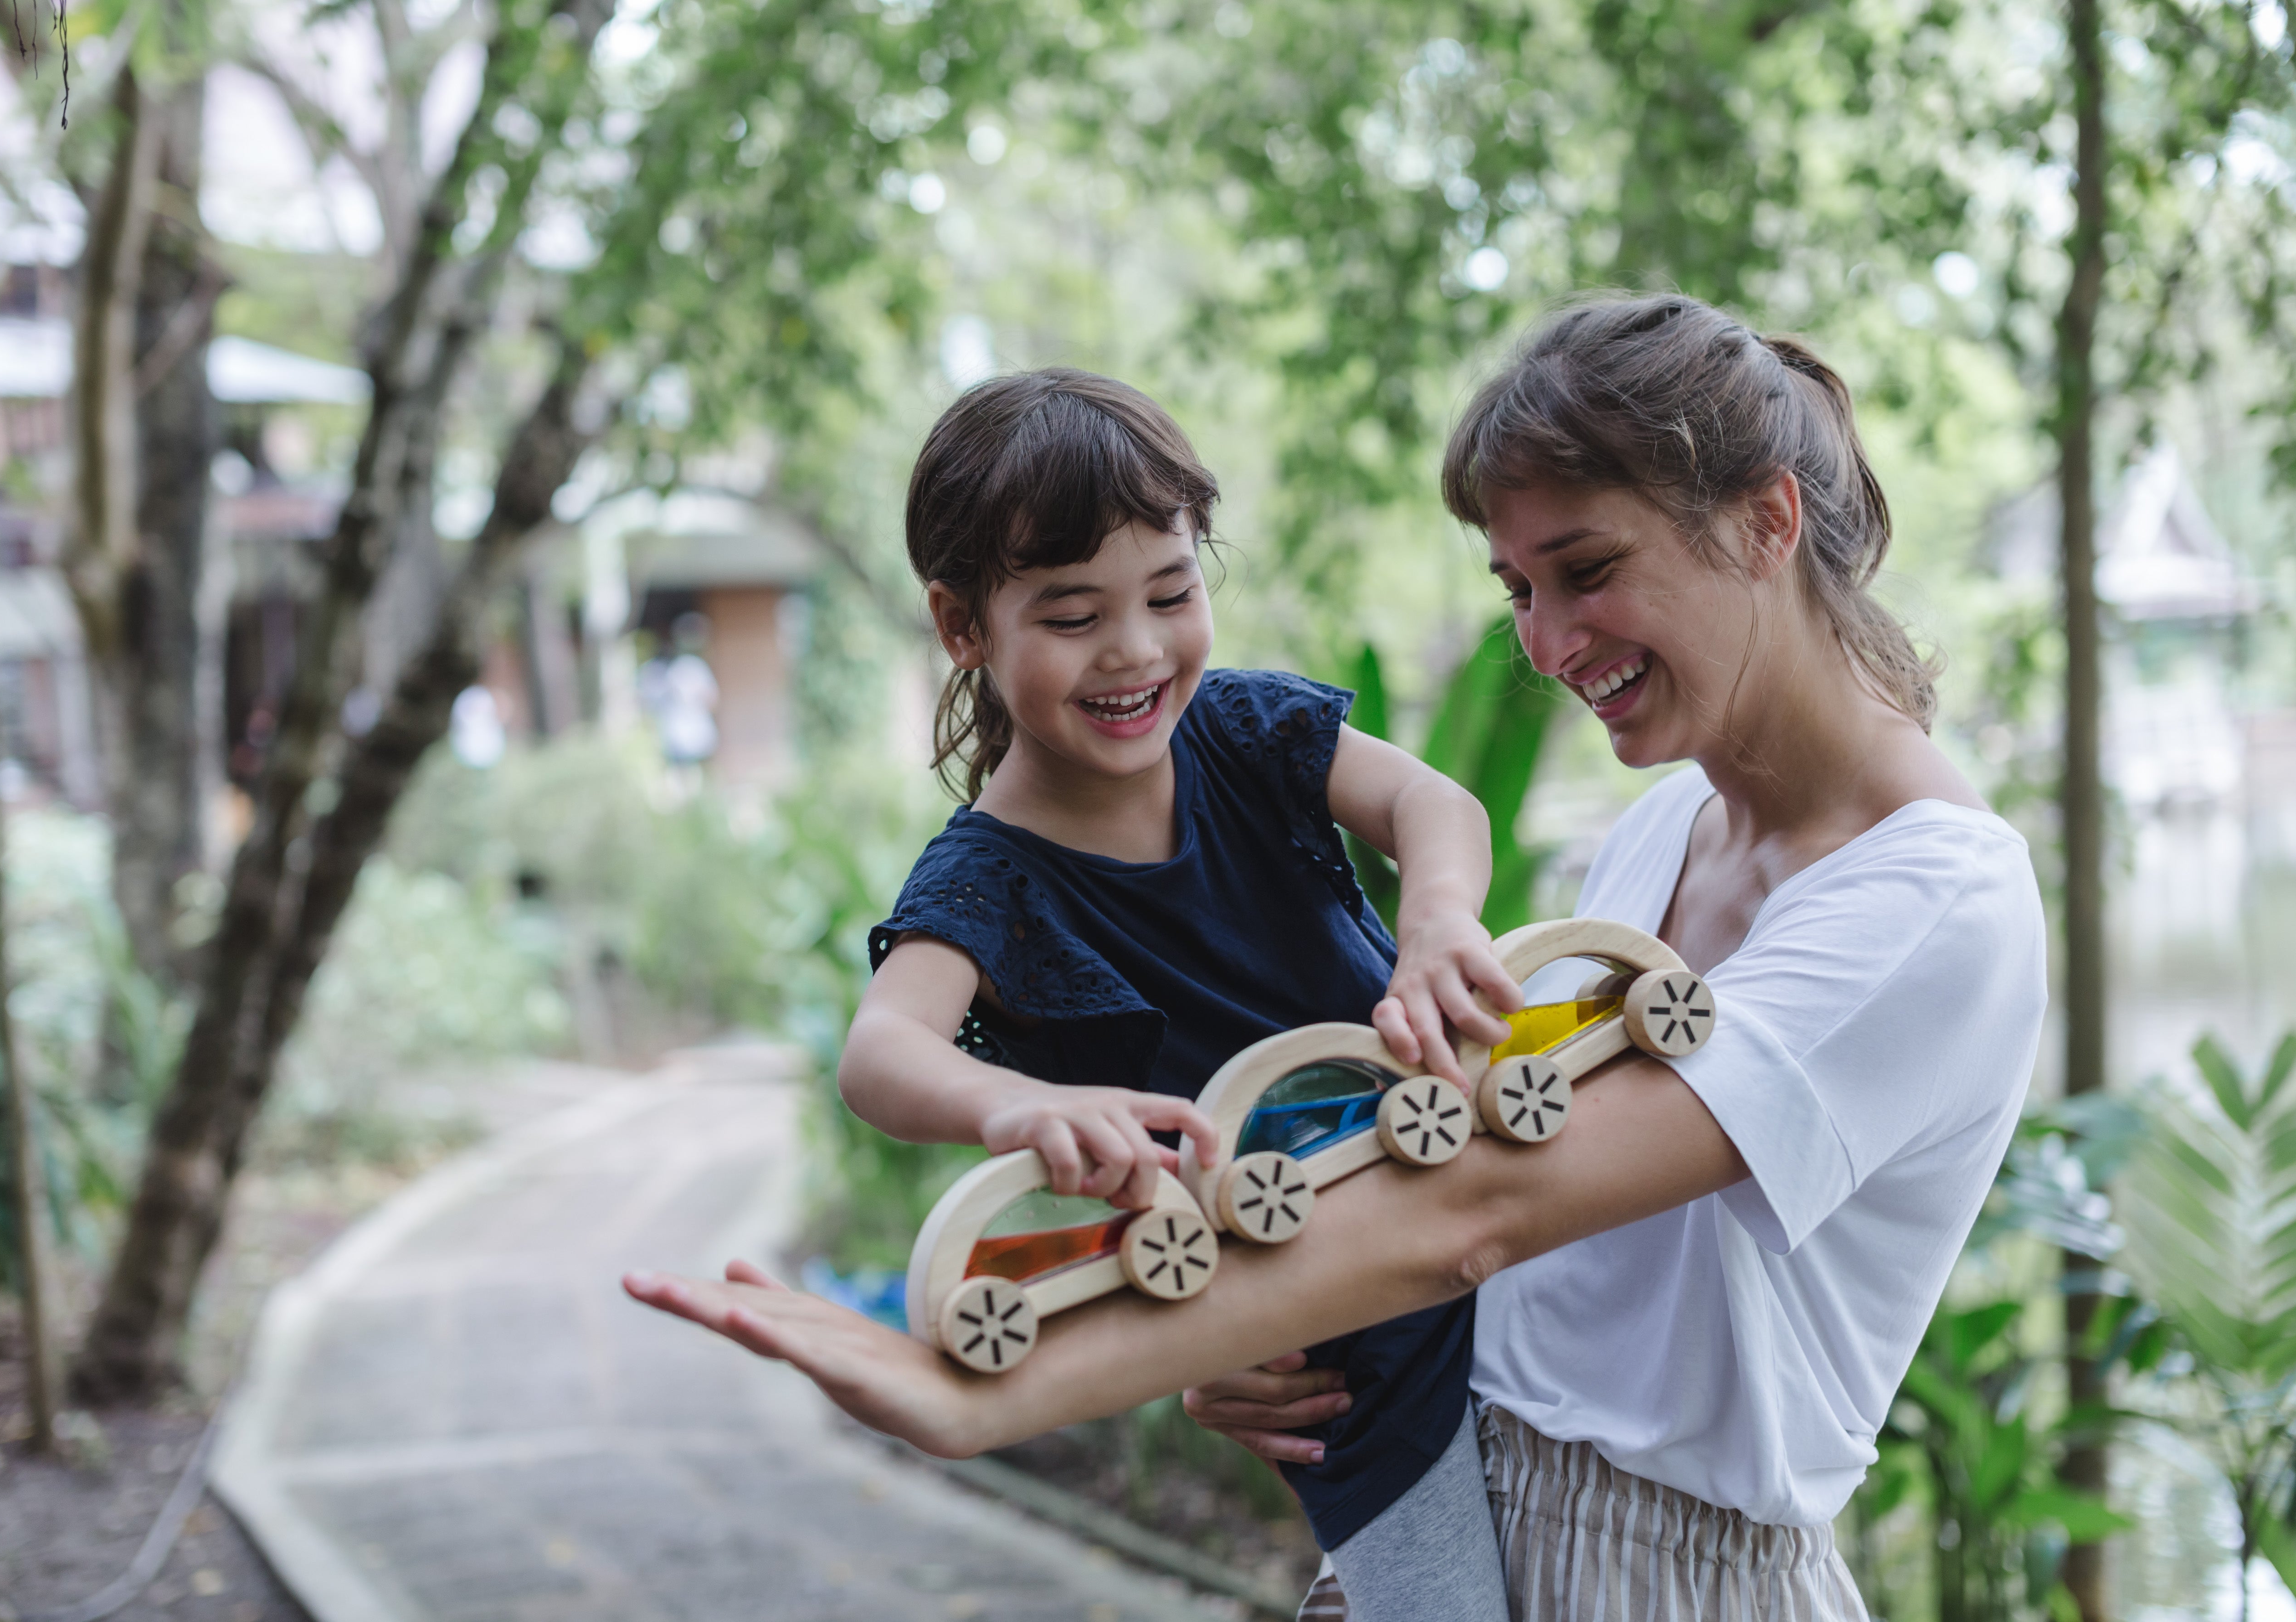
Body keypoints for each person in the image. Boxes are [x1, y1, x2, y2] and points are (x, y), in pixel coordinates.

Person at [627, 297, 2047, 1621]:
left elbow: (1475, 1216)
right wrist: (1243, 1319)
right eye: (1515, 591)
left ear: (1766, 523)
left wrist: (1009, 1390)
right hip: (1441, 1480)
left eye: (1588, 573)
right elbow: (1474, 1208)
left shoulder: (1928, 899)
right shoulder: (1666, 824)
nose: (1543, 647)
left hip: (1660, 1569)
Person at [841, 368, 1526, 1622]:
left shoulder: (1247, 733)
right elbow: (883, 1053)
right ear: (961, 627)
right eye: (1069, 614)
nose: (1136, 650)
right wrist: (1007, 1108)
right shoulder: (985, 884)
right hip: (1343, 1355)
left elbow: (1436, 804)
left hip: (1499, 1207)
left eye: (1171, 592)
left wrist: (1434, 922)